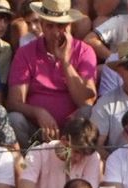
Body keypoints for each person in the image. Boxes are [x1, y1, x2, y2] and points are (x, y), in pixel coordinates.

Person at [7, 0, 97, 146]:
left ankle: (75, 160)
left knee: (88, 113)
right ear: (42, 25)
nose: (56, 32)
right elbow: (14, 102)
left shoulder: (84, 51)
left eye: (61, 26)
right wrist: (38, 112)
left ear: (69, 25)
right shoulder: (25, 52)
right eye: (50, 26)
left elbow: (85, 102)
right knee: (14, 119)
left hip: (73, 131)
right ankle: (29, 164)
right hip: (37, 129)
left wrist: (65, 61)